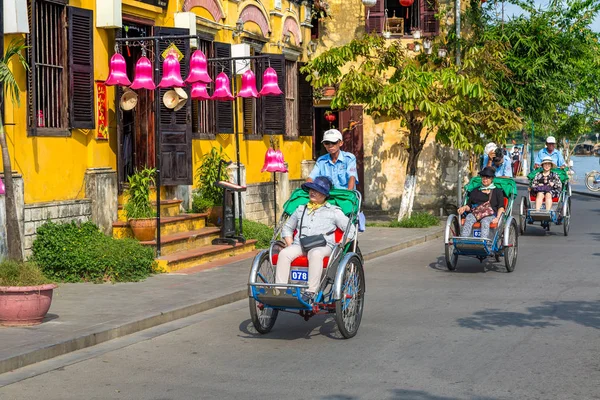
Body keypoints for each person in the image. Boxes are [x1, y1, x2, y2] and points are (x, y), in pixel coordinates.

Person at [275, 176, 356, 304]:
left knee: (315, 254)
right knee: (284, 253)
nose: (312, 192)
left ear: (324, 195)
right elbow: (287, 228)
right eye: (311, 189)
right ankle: (280, 291)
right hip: (300, 244)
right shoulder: (301, 209)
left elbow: (350, 229)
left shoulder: (333, 211)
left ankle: (311, 292)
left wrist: (341, 244)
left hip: (324, 246)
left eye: (317, 191)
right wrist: (291, 244)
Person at [457, 167, 506, 239]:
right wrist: (464, 207)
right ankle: (464, 240)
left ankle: (484, 242)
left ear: (492, 179)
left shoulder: (497, 191)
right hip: (476, 213)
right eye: (483, 177)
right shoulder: (475, 190)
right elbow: (469, 205)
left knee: (485, 221)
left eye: (487, 177)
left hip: (490, 215)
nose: (485, 179)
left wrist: (498, 218)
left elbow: (501, 207)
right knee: (469, 218)